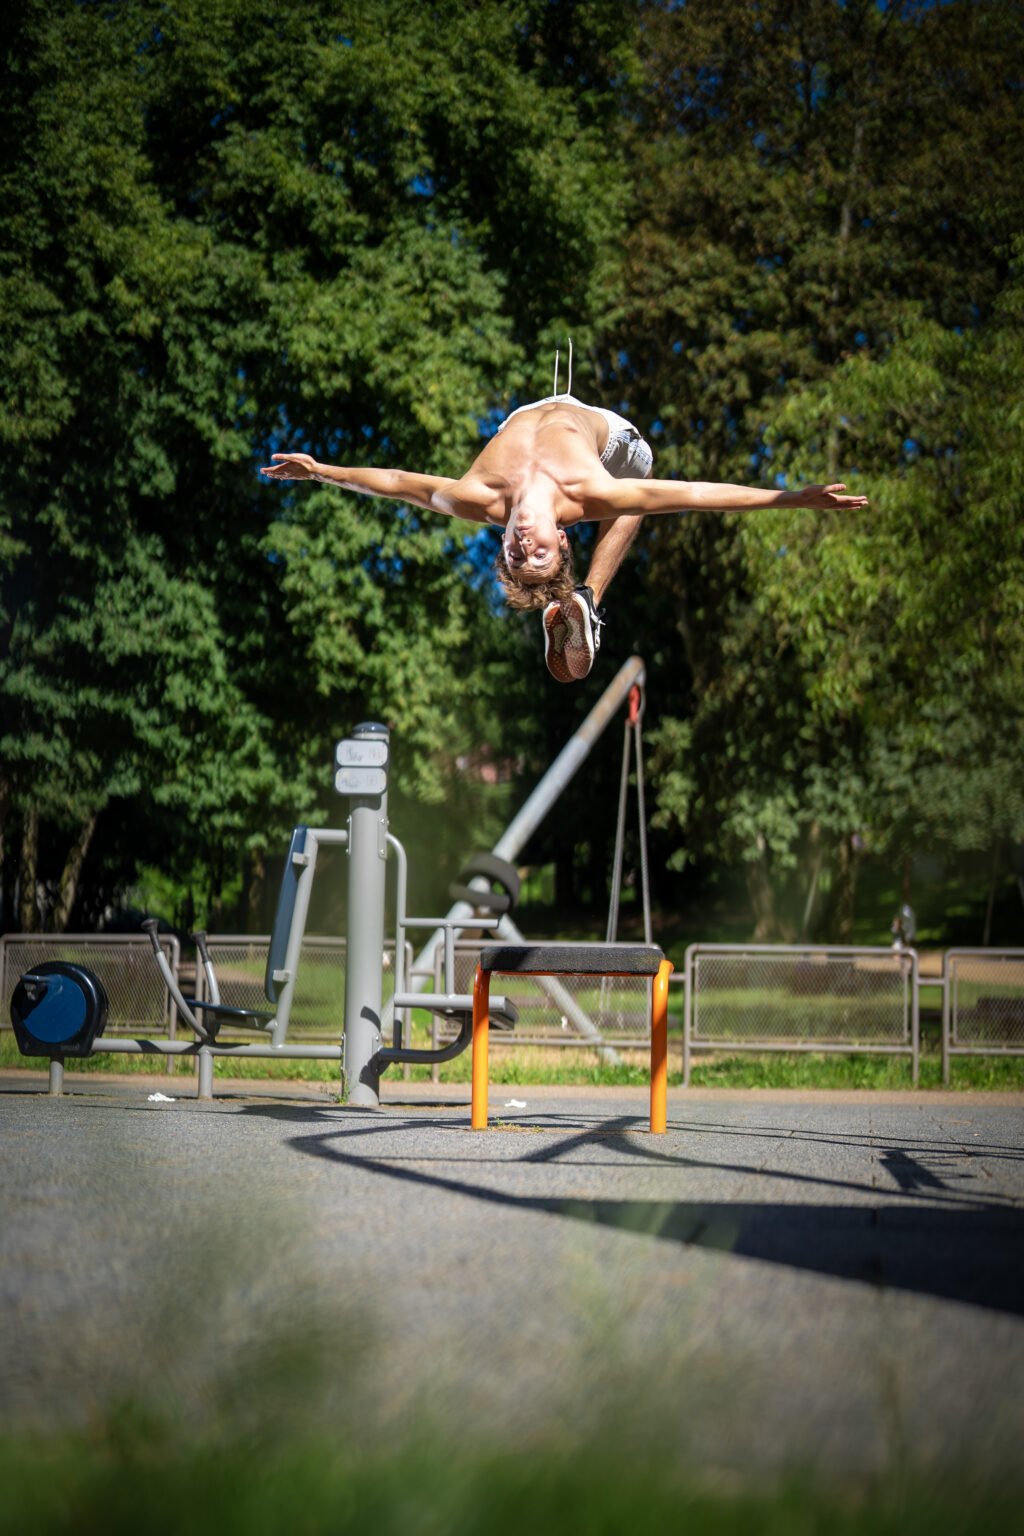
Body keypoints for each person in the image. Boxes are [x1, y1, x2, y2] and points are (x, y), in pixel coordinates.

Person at [260, 392, 868, 682]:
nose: (525, 542)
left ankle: (581, 605)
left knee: (636, 498)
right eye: (539, 552)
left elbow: (395, 482)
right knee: (645, 484)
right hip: (613, 441)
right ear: (565, 536)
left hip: (525, 412)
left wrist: (323, 471)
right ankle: (589, 604)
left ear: (500, 540)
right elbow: (700, 496)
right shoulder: (588, 494)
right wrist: (795, 497)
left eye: (515, 552)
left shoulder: (479, 499)